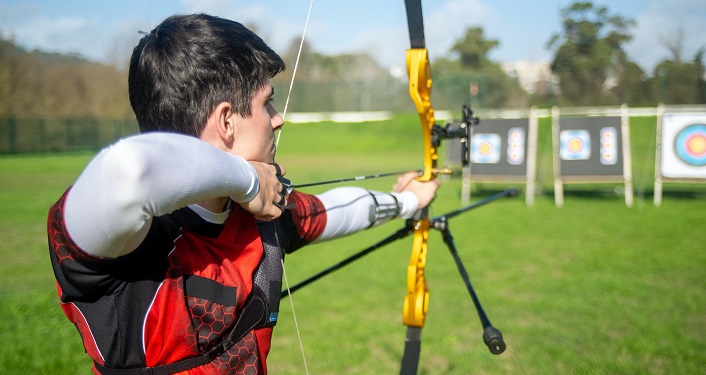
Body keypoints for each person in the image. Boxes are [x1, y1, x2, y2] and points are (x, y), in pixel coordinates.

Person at [47, 13, 439, 375]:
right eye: (267, 103)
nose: (278, 118)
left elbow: (334, 211)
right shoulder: (125, 240)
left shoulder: (261, 215)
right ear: (226, 121)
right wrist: (246, 179)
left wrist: (408, 201)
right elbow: (129, 171)